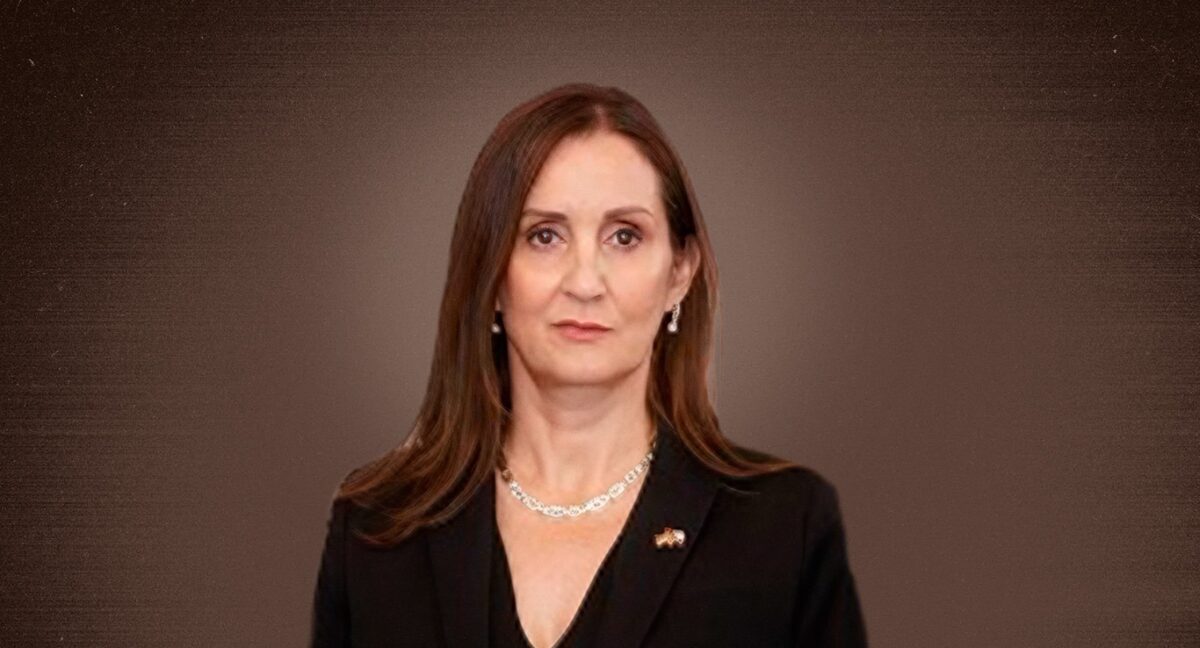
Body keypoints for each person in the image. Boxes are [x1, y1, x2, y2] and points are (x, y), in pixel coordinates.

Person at [309, 82, 867, 648]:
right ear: (492, 275)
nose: (584, 282)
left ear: (680, 272)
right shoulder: (374, 528)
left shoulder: (785, 529)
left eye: (624, 236)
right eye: (544, 236)